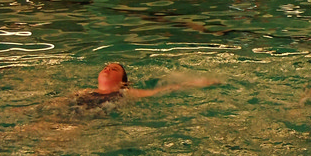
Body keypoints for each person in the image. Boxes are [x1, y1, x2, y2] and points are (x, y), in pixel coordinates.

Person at [75, 61, 216, 110]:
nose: (108, 69)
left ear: (123, 82)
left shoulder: (126, 92)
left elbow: (164, 90)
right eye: (106, 68)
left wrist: (197, 83)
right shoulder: (85, 91)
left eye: (114, 69)